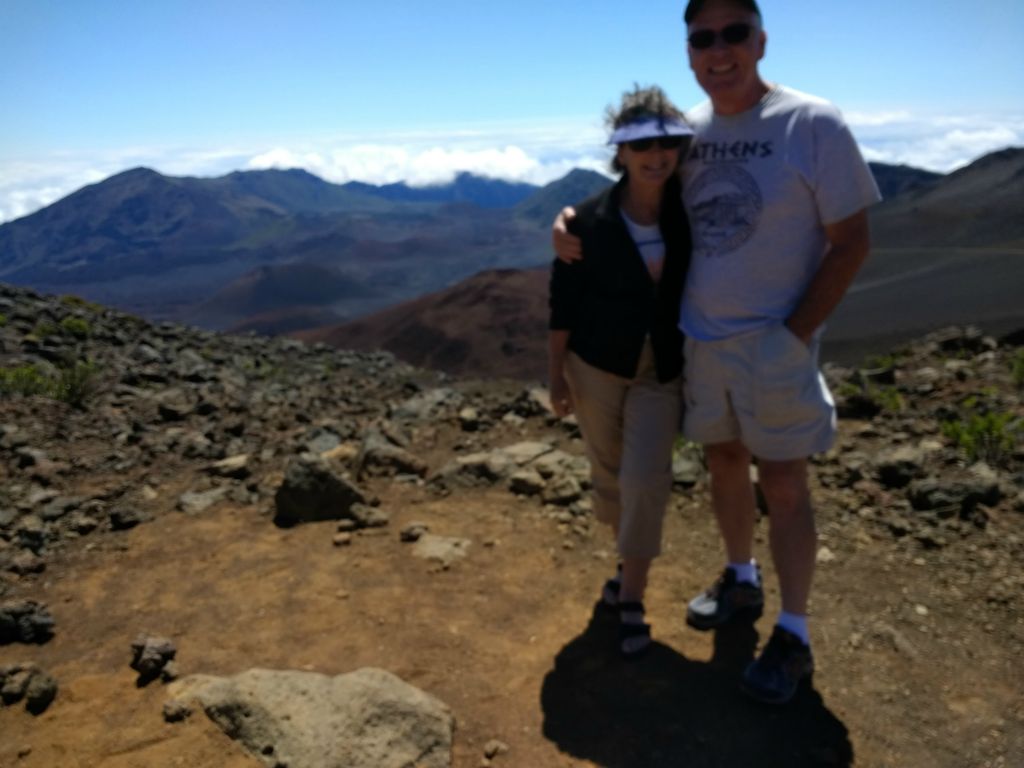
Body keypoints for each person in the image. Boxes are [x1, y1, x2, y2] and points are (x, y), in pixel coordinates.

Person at [553, 0, 881, 702]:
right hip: (700, 344)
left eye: (734, 33)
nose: (719, 48)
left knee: (786, 483)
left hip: (773, 345)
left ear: (761, 40)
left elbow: (852, 240)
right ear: (690, 53)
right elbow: (638, 188)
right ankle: (742, 579)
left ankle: (793, 633)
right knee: (725, 465)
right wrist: (569, 220)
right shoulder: (690, 134)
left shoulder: (812, 122)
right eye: (703, 38)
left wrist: (793, 336)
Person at [549, 84, 693, 658]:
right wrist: (555, 376)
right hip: (596, 367)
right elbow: (563, 303)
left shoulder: (691, 211)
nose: (656, 157)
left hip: (662, 368)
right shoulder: (586, 222)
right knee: (610, 476)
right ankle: (625, 564)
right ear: (621, 155)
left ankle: (631, 595)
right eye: (641, 147)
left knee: (644, 479)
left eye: (666, 145)